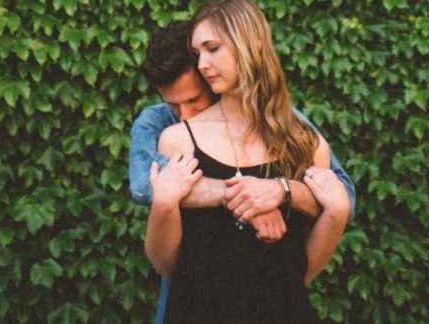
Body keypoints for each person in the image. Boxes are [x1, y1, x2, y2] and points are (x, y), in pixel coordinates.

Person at [128, 19, 356, 324]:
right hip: (192, 288)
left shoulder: (285, 124)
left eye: (194, 100)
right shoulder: (158, 124)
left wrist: (281, 191)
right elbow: (148, 187)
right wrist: (244, 195)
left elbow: (341, 195)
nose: (183, 115)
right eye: (173, 105)